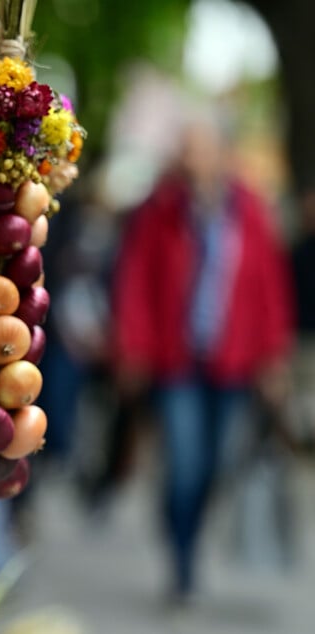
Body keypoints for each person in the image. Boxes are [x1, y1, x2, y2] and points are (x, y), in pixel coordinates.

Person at [111, 108, 295, 601]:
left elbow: (269, 286)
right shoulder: (160, 209)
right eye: (186, 147)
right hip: (176, 362)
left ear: (221, 153)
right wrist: (132, 346)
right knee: (184, 462)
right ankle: (182, 560)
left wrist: (273, 356)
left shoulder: (249, 210)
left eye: (201, 147)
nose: (192, 156)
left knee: (215, 466)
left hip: (233, 361)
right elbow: (135, 281)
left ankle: (187, 537)